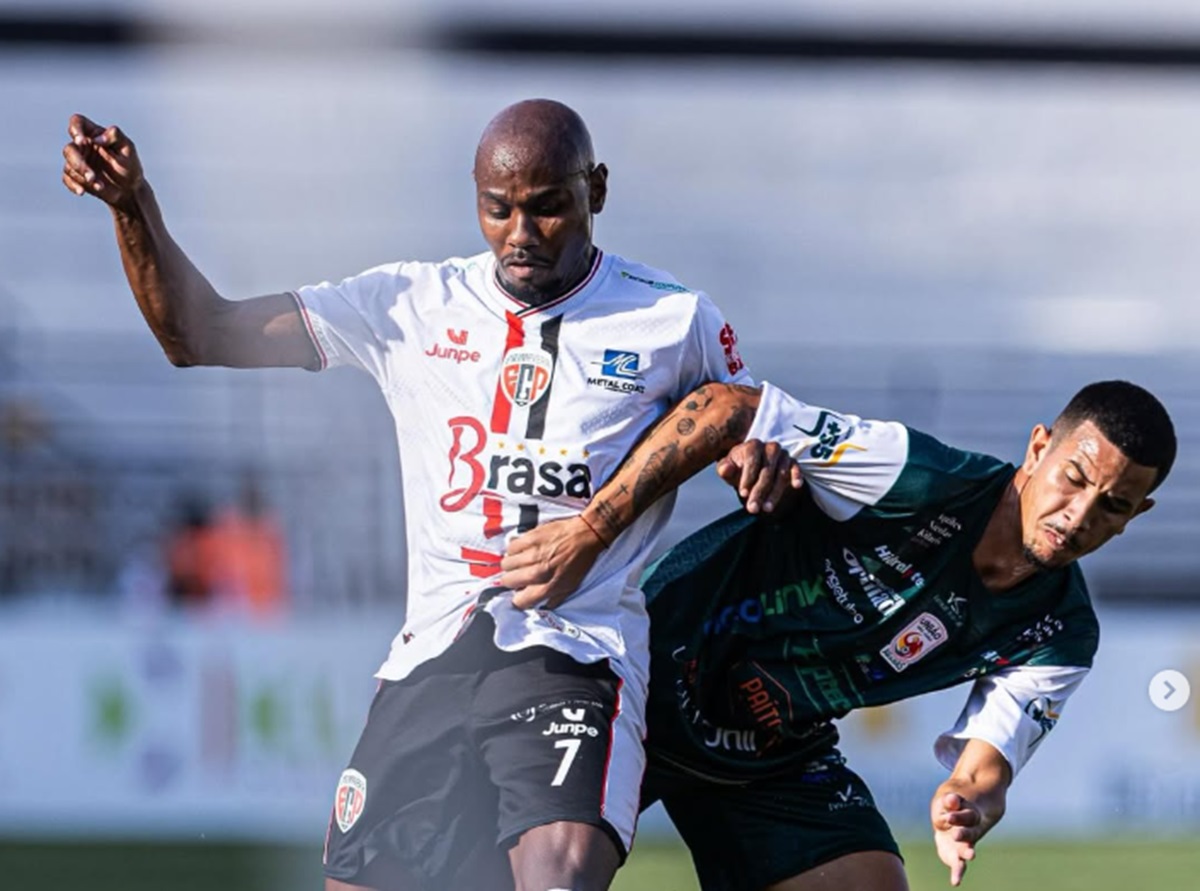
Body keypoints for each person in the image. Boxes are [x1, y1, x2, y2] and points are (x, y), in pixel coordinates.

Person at [62, 99, 752, 890]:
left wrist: (722, 472)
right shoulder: (407, 304)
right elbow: (198, 332)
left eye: (548, 206)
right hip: (431, 660)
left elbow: (740, 425)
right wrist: (133, 206)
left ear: (596, 189)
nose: (521, 232)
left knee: (558, 876)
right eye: (499, 209)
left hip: (573, 656)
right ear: (475, 199)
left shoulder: (672, 318)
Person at [500, 379, 1175, 890]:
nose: (1080, 513)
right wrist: (591, 531)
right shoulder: (916, 474)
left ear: (1135, 514)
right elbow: (726, 406)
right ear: (1037, 449)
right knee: (545, 872)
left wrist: (965, 803)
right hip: (644, 672)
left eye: (1113, 505)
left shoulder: (1061, 630)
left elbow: (985, 769)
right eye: (1074, 478)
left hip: (769, 748)